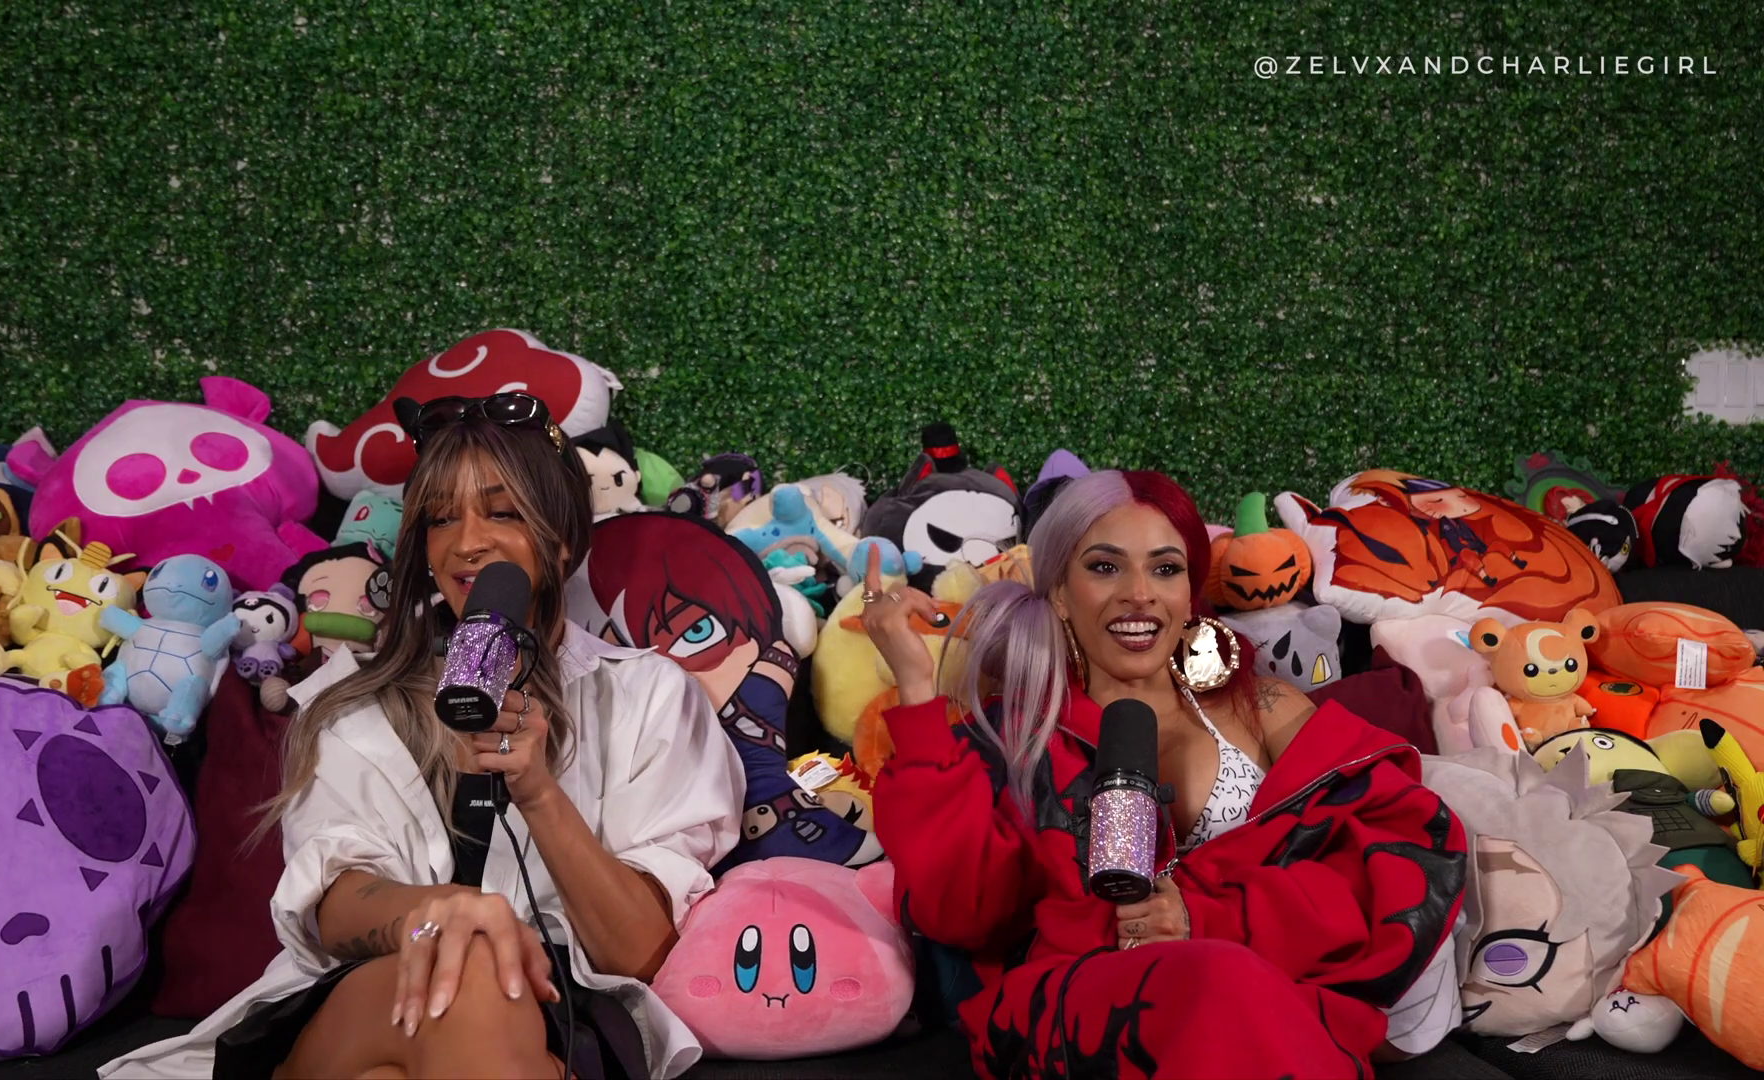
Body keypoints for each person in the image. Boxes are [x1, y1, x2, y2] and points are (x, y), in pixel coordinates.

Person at [100, 392, 747, 1080]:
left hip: (560, 1013)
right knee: (467, 966)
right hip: (372, 991)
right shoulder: (352, 703)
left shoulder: (649, 696)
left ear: (564, 539)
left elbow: (639, 953)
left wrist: (538, 793)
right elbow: (332, 904)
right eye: (441, 518)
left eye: (501, 512)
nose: (465, 543)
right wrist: (445, 915)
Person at [861, 469, 1467, 1079]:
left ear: (1189, 592)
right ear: (1061, 594)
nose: (1139, 593)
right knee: (1221, 980)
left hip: (1270, 993)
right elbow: (963, 912)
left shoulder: (1262, 706)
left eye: (1165, 568)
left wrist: (1206, 918)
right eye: (1105, 567)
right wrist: (916, 688)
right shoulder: (1016, 736)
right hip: (1092, 1008)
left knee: (1232, 982)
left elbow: (1395, 849)